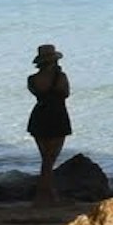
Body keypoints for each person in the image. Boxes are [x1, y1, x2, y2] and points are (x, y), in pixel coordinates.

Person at [26, 45, 72, 193]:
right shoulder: (60, 77)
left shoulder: (32, 79)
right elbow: (65, 93)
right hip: (57, 116)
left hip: (39, 115)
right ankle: (46, 192)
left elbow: (39, 93)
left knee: (45, 157)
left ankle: (45, 191)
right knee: (50, 158)